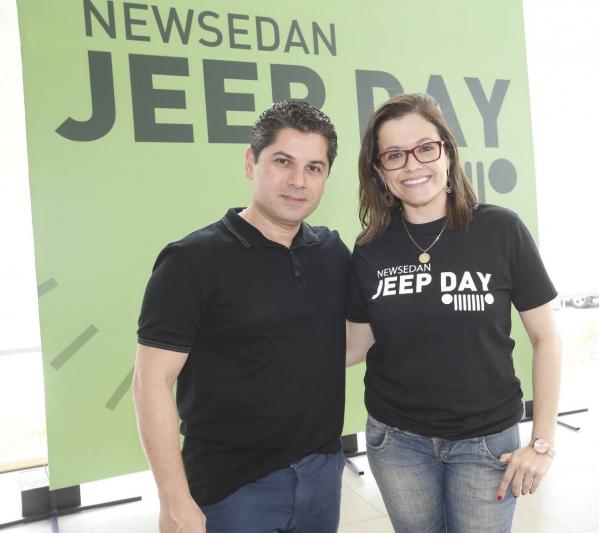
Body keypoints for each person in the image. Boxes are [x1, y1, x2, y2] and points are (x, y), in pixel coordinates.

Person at [345, 93, 562, 533]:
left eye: (425, 148)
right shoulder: (370, 248)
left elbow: (547, 338)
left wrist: (542, 442)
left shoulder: (501, 230)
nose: (412, 164)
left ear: (447, 152)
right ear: (379, 171)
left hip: (487, 442)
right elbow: (355, 345)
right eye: (394, 155)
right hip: (397, 442)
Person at [133, 101, 350, 533]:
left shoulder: (331, 252)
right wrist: (174, 499)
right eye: (283, 161)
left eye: (314, 168)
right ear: (251, 162)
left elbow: (347, 341)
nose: (298, 181)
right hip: (232, 491)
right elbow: (151, 382)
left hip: (322, 475)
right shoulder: (191, 261)